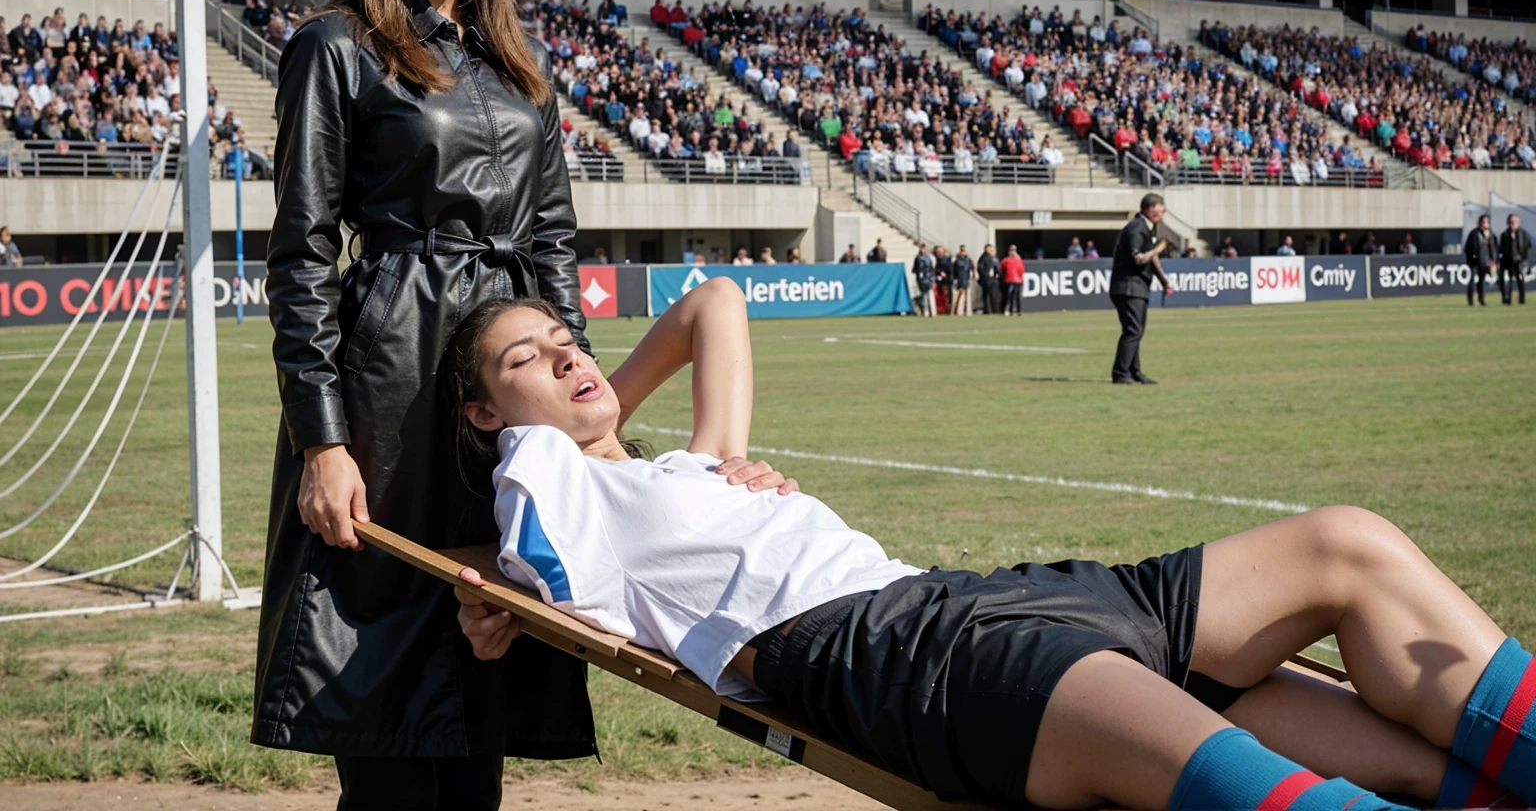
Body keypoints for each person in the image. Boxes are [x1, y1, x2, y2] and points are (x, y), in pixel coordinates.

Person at [450, 282, 1536, 811]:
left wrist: (608, 408)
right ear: (486, 416)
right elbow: (539, 563)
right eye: (524, 362)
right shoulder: (548, 484)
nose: (565, 356)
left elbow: (717, 303)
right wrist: (510, 562)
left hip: (981, 601)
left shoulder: (685, 471)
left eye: (569, 338)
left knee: (1351, 548)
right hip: (899, 664)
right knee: (1257, 787)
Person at [255, 0, 617, 809]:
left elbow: (552, 248)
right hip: (390, 392)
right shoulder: (334, 47)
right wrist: (323, 440)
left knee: (489, 675)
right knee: (387, 698)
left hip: (504, 401)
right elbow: (302, 258)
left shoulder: (521, 70)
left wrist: (580, 421)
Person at [1110, 194, 1172, 386]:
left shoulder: (1147, 228)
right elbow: (1140, 258)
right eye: (1160, 210)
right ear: (1150, 209)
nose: (1163, 214)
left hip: (1135, 287)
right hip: (1129, 286)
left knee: (1135, 330)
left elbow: (1151, 259)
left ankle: (1134, 372)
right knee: (1133, 330)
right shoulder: (1137, 228)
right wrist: (1157, 249)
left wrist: (1164, 281)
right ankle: (1121, 373)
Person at [1465, 215, 1496, 308]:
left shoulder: (1490, 234)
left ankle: (1481, 299)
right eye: (1484, 222)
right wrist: (1472, 257)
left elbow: (1493, 248)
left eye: (1487, 222)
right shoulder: (1474, 234)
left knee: (1481, 282)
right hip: (1474, 262)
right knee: (1471, 281)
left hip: (1484, 262)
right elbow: (1467, 247)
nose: (1485, 224)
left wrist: (1492, 260)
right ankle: (1470, 300)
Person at [1499, 214, 1530, 306]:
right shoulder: (1505, 234)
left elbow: (1526, 247)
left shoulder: (1522, 234)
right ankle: (1507, 298)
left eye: (1515, 222)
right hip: (1508, 261)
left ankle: (1522, 299)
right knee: (1508, 281)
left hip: (1518, 261)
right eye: (1511, 222)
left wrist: (1523, 258)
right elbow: (1501, 248)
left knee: (1520, 280)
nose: (1513, 224)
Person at [1000, 243, 1025, 316]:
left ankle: (1019, 310)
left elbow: (1022, 270)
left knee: (1017, 296)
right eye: (1011, 250)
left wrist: (1021, 278)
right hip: (1009, 280)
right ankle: (1010, 310)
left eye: (1013, 250)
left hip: (1017, 280)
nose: (1012, 252)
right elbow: (1001, 269)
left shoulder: (1018, 259)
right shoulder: (1006, 260)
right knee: (1010, 296)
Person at [950, 245, 974, 316]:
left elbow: (972, 269)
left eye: (964, 251)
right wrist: (954, 279)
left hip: (967, 279)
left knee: (968, 297)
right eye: (962, 250)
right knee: (958, 297)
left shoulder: (969, 260)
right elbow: (952, 270)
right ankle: (957, 311)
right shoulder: (955, 260)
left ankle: (967, 311)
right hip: (958, 279)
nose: (963, 252)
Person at [912, 244, 935, 317]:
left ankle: (931, 312)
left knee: (928, 296)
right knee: (923, 295)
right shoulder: (918, 258)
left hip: (928, 279)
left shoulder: (928, 258)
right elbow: (915, 269)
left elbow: (931, 269)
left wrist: (931, 277)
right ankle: (925, 311)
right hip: (921, 280)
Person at [976, 243, 999, 314]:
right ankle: (989, 310)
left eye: (991, 249)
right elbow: (980, 268)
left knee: (992, 296)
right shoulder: (984, 258)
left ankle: (992, 309)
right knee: (988, 296)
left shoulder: (993, 258)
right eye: (989, 249)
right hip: (987, 280)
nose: (991, 250)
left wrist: (996, 273)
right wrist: (985, 275)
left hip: (991, 280)